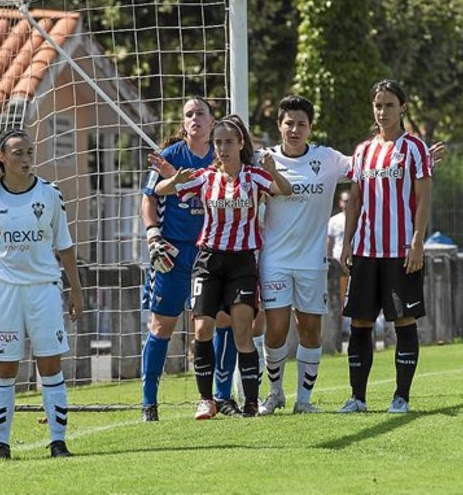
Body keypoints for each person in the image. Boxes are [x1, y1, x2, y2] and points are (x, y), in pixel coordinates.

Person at [154, 115, 292, 418]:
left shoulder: (254, 176)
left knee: (242, 332)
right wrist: (174, 180)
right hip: (208, 261)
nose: (223, 148)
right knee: (202, 328)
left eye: (229, 141)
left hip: (242, 262)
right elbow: (160, 191)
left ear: (241, 143)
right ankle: (206, 400)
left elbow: (286, 190)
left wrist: (273, 172)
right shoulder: (205, 177)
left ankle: (251, 402)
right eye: (218, 142)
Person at [0, 128, 83, 459]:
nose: (26, 158)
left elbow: (65, 246)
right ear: (1, 157)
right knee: (4, 368)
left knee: (49, 365)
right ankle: (0, 444)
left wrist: (76, 291)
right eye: (18, 153)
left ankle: (58, 441)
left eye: (29, 152)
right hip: (4, 293)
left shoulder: (49, 194)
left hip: (43, 290)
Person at [141, 97, 240, 422]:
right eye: (188, 114)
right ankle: (149, 402)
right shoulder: (169, 156)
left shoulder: (222, 156)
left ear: (212, 121)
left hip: (212, 252)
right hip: (174, 253)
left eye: (200, 113)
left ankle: (221, 396)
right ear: (183, 123)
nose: (194, 118)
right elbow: (149, 199)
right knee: (162, 325)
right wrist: (153, 234)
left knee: (222, 320)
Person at [338, 79, 432, 415]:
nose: (382, 111)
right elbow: (355, 200)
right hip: (366, 251)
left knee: (403, 321)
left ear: (402, 107)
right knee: (360, 323)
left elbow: (423, 198)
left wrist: (417, 241)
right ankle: (357, 398)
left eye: (389, 105)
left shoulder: (415, 149)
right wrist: (347, 243)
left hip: (401, 251)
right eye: (378, 105)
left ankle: (401, 397)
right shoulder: (363, 150)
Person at [257, 96, 352, 416]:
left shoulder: (328, 159)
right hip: (275, 260)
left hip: (312, 261)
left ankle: (304, 400)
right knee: (276, 328)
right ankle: (274, 393)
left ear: (310, 127)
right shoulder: (263, 159)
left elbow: (368, 167)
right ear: (279, 126)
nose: (295, 130)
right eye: (289, 123)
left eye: (301, 124)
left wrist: (417, 161)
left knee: (311, 330)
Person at [328, 190, 351, 336]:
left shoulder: (358, 217)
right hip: (338, 262)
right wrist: (329, 258)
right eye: (345, 201)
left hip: (354, 261)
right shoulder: (334, 220)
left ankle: (350, 326)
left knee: (353, 294)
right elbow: (329, 241)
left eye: (349, 201)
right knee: (340, 296)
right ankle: (341, 328)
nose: (347, 204)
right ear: (340, 202)